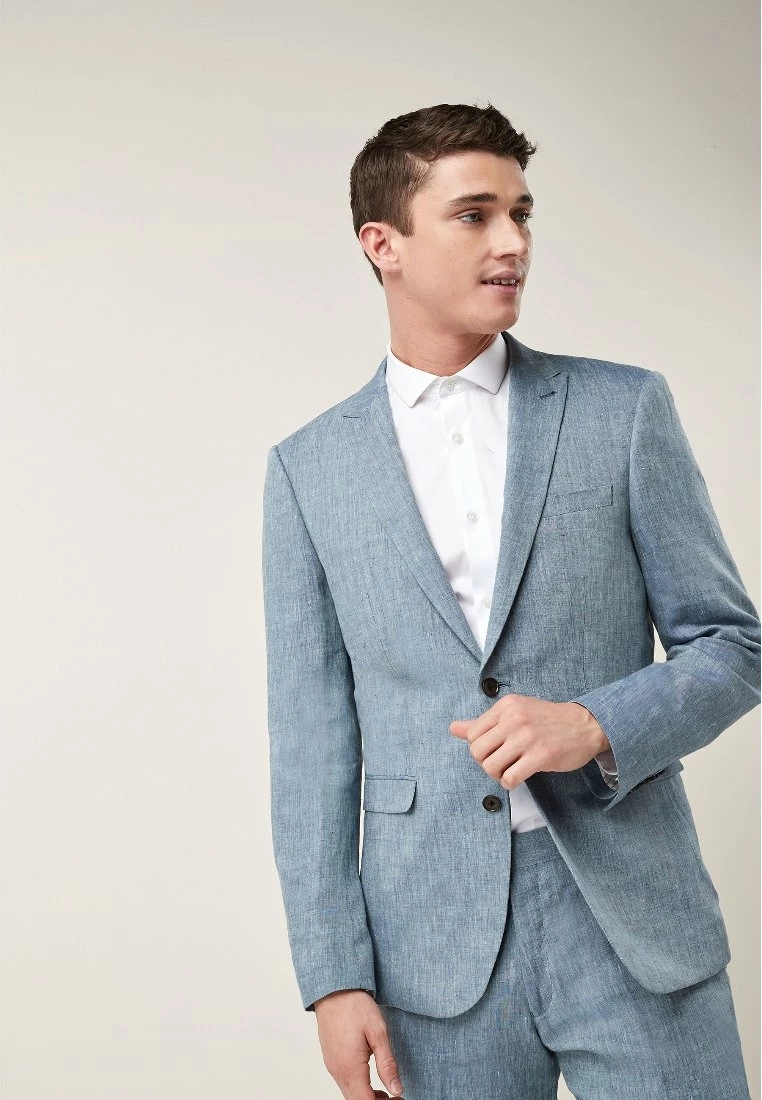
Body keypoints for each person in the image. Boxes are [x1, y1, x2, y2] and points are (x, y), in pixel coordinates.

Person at [261, 102, 760, 1099]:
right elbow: (309, 747)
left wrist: (595, 722)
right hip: (431, 950)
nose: (513, 242)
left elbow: (732, 645)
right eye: (474, 214)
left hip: (633, 923)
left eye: (522, 213)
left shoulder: (622, 410)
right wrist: (333, 975)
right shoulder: (308, 471)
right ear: (383, 244)